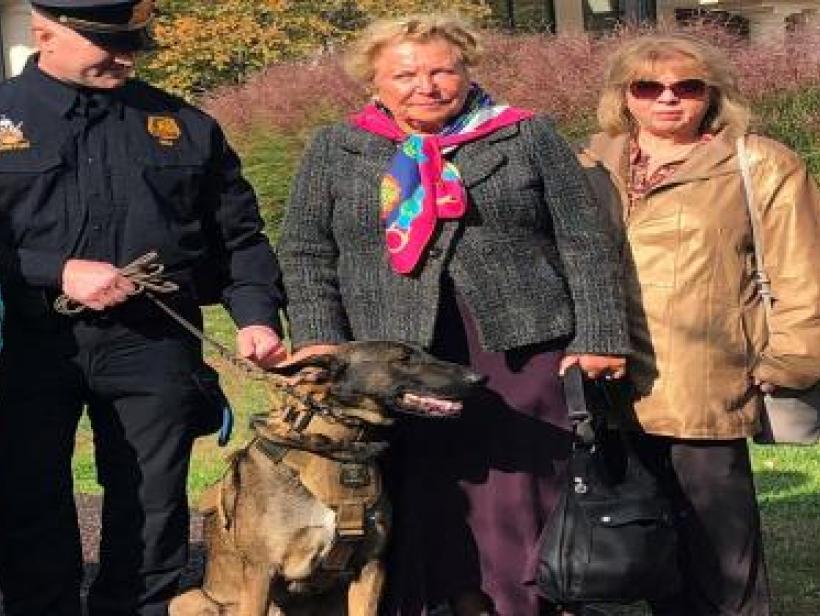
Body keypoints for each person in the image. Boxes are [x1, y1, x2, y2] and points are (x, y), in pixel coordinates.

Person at [277, 14, 629, 615]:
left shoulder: (526, 135)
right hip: (389, 349)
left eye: (443, 69)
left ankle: (526, 603)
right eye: (406, 73)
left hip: (520, 340)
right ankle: (425, 601)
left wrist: (599, 333)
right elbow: (307, 250)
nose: (427, 85)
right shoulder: (336, 146)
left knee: (518, 487)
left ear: (467, 69)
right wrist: (319, 341)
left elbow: (583, 239)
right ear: (375, 82)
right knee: (415, 483)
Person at [0, 1, 286, 614]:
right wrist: (55, 270)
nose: (127, 55)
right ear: (43, 32)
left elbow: (240, 239)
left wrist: (257, 316)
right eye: (108, 41)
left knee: (154, 503)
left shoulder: (184, 124)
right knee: (27, 496)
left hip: (152, 339)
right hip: (26, 341)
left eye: (135, 41)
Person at [581, 33, 820, 615]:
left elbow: (803, 269)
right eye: (649, 87)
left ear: (712, 94)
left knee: (720, 545)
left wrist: (792, 357)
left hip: (705, 376)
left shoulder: (759, 161)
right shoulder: (589, 159)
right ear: (625, 96)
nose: (669, 99)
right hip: (609, 373)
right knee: (645, 535)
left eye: (687, 86)